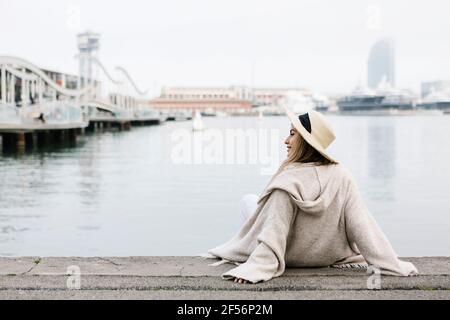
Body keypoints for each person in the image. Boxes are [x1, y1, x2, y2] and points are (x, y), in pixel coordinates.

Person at [202, 106, 418, 284]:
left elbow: (274, 232)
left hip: (285, 256)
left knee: (248, 201)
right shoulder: (342, 176)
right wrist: (391, 263)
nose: (286, 140)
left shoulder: (287, 181)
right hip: (328, 256)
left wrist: (255, 268)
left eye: (292, 134)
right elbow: (362, 226)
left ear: (306, 141)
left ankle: (248, 251)